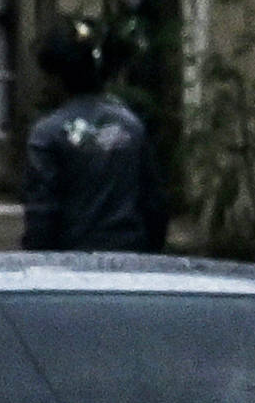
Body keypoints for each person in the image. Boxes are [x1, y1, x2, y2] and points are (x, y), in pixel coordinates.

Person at [20, 19, 159, 253]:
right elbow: (153, 205)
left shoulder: (47, 135)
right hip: (131, 261)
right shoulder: (131, 126)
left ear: (55, 78)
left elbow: (42, 213)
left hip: (71, 268)